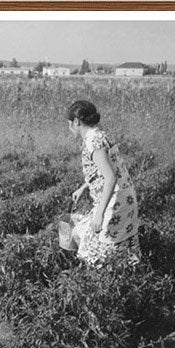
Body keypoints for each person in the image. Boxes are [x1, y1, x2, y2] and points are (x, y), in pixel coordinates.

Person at [63, 100, 140, 265]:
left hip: (115, 201)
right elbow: (103, 170)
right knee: (88, 235)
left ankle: (105, 280)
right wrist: (83, 187)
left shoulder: (93, 142)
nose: (69, 128)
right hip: (125, 196)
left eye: (70, 124)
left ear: (77, 122)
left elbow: (110, 177)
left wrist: (100, 214)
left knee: (95, 251)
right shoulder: (100, 134)